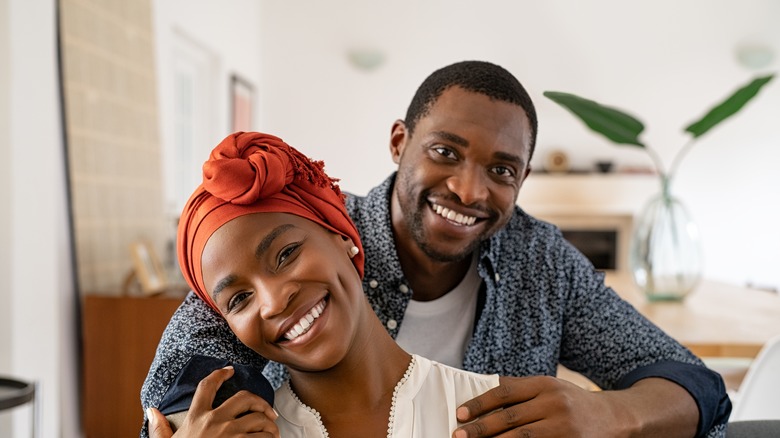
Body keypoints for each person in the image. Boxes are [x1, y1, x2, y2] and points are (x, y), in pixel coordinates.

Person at [142, 60, 731, 437]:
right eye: (445, 152)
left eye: (501, 170)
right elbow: (178, 388)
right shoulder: (306, 241)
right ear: (400, 142)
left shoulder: (542, 264)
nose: (469, 190)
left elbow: (698, 387)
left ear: (522, 180)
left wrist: (610, 412)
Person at [145, 132, 501, 437]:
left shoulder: (498, 414)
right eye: (239, 299)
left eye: (286, 254)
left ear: (342, 236)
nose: (273, 302)